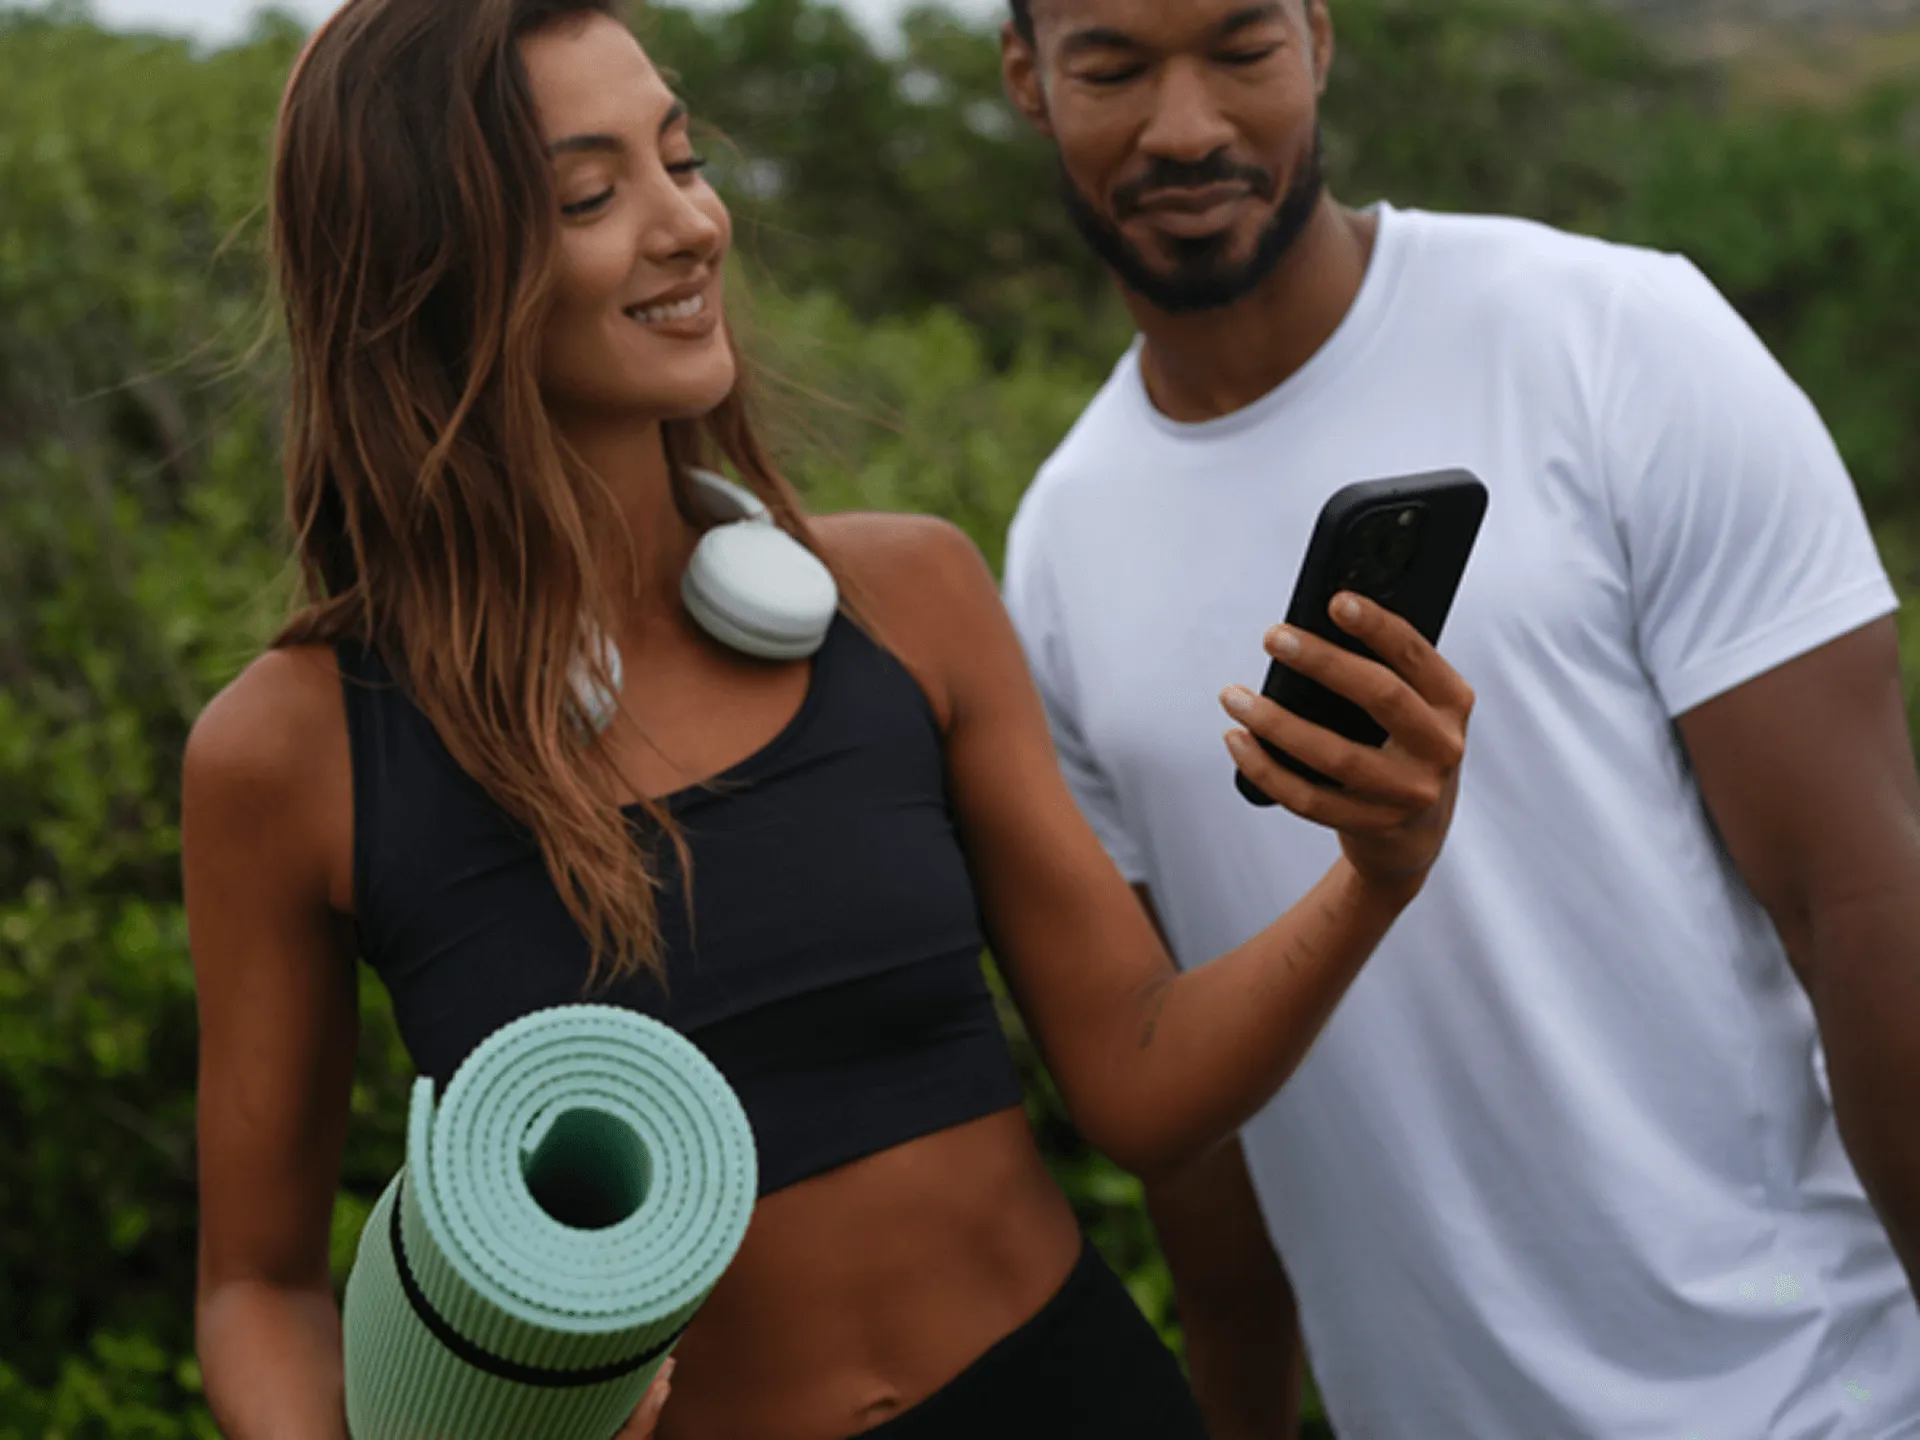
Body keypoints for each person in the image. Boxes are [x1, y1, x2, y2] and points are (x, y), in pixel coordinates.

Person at [180, 2, 1479, 1437]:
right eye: (594, 194)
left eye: (683, 160)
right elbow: (259, 1288)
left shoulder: (909, 598)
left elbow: (1144, 1078)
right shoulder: (288, 756)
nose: (689, 227)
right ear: (428, 273)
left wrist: (1378, 874)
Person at [996, 1, 1920, 1437]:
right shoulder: (1059, 545)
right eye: (1113, 66)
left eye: (1240, 49)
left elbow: (1863, 900)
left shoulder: (1616, 339)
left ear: (1318, 36)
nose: (1185, 127)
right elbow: (1193, 1118)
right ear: (1027, 81)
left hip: (1809, 1399)